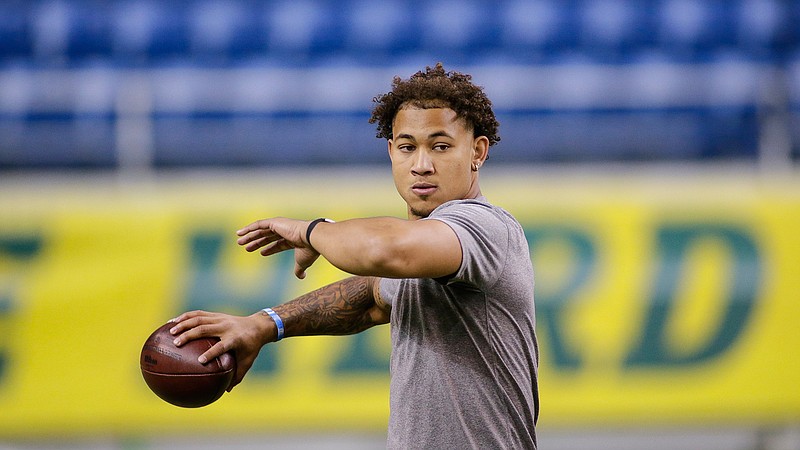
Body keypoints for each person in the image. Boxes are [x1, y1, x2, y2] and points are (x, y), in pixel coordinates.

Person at [169, 63, 539, 449]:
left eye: (441, 146)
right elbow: (371, 300)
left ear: (478, 151)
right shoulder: (428, 248)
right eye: (408, 147)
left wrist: (309, 230)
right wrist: (264, 325)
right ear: (392, 151)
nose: (421, 165)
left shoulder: (482, 227)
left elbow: (385, 252)